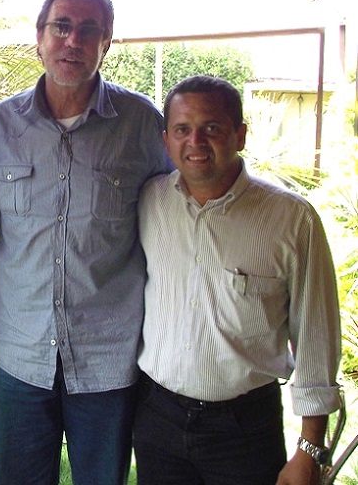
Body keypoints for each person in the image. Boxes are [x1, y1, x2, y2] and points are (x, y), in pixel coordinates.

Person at [0, 0, 172, 485]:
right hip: (20, 351)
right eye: (61, 26)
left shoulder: (142, 125)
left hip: (107, 355)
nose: (73, 40)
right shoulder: (1, 125)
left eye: (88, 29)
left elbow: (178, 216)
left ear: (107, 43)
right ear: (39, 38)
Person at [134, 74, 342, 485]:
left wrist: (309, 449)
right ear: (166, 140)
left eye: (211, 128)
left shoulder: (292, 220)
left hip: (245, 429)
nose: (195, 141)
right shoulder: (148, 201)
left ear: (240, 135)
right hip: (158, 418)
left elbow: (316, 338)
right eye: (182, 129)